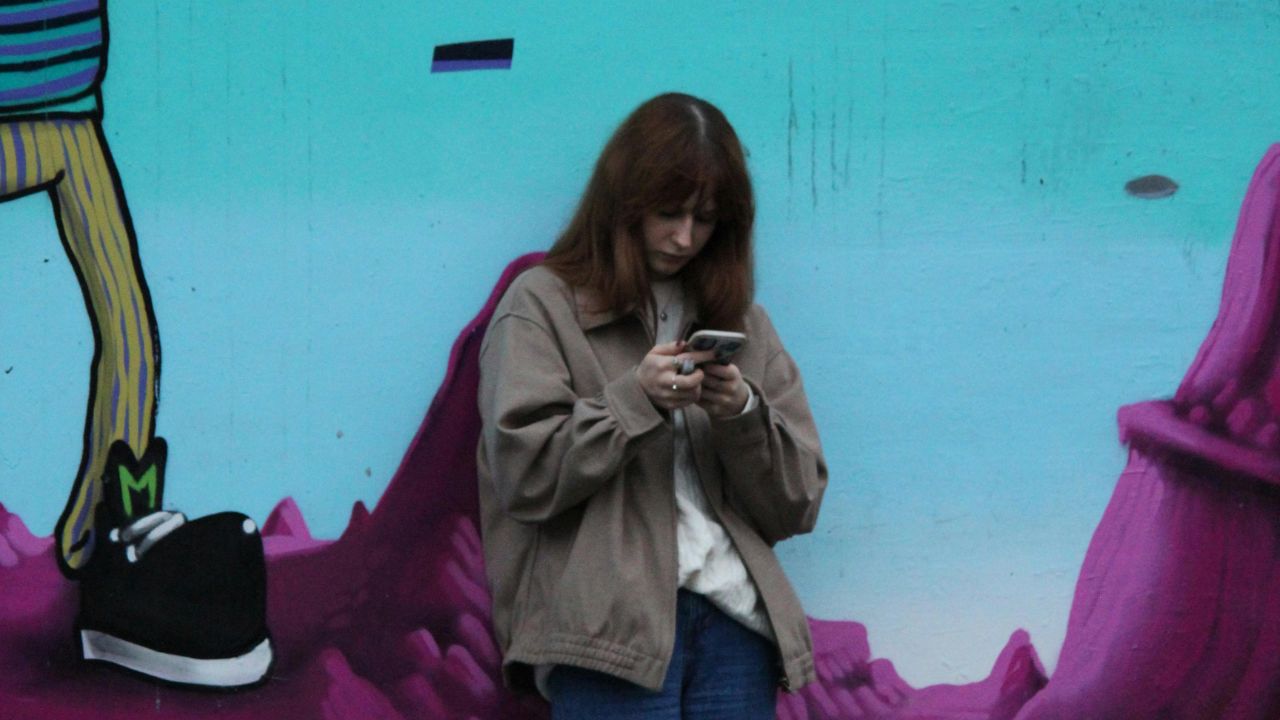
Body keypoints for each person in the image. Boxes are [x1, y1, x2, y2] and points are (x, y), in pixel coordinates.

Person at [476, 92, 828, 718]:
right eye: (668, 211)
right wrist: (634, 401)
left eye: (707, 218)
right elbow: (522, 475)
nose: (685, 236)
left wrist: (742, 414)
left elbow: (799, 502)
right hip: (606, 634)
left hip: (735, 624)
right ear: (623, 201)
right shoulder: (542, 304)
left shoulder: (744, 323)